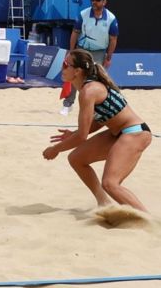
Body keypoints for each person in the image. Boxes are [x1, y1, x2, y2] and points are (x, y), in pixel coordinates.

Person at [42, 48, 152, 213]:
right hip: (119, 133)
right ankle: (104, 203)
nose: (62, 68)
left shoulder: (88, 91)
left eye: (66, 64)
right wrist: (73, 134)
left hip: (135, 133)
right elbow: (103, 118)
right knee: (76, 158)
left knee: (110, 183)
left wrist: (55, 150)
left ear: (77, 71)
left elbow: (82, 137)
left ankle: (148, 219)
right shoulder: (87, 89)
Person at [62, 0, 118, 115]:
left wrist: (109, 57)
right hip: (82, 49)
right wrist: (72, 51)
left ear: (104, 2)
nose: (94, 2)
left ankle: (95, 108)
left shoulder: (111, 18)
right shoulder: (83, 14)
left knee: (95, 79)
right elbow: (75, 33)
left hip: (99, 51)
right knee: (73, 75)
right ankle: (68, 104)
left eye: (98, 0)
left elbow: (113, 39)